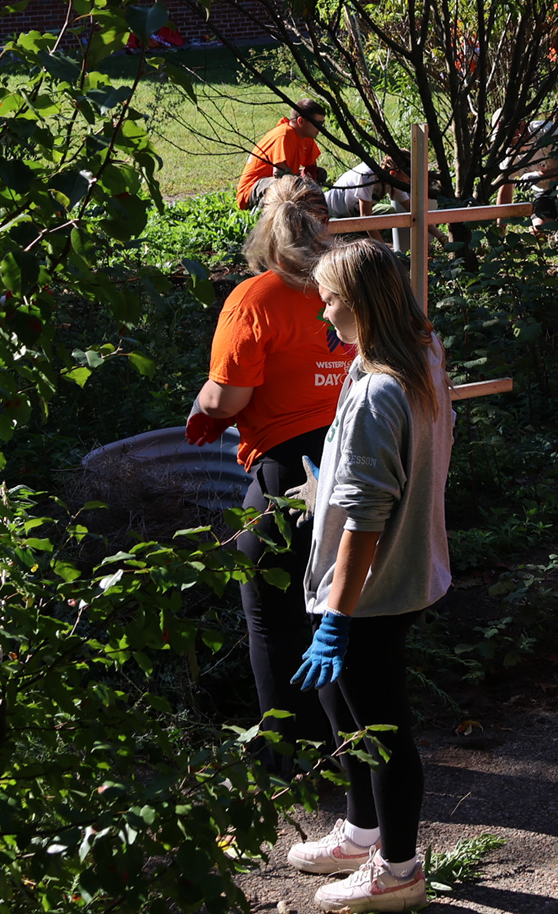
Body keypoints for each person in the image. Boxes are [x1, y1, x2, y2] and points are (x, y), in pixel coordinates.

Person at [284, 240, 454, 912]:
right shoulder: (417, 359)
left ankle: (400, 870)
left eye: (329, 301)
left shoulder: (382, 390)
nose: (323, 316)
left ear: (358, 304)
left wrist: (336, 617)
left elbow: (366, 520)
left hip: (371, 592)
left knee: (378, 729)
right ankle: (361, 832)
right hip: (401, 575)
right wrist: (326, 490)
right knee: (341, 704)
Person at [185, 177, 353, 769]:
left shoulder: (255, 298)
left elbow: (227, 401)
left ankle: (293, 754)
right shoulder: (352, 285)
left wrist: (202, 404)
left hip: (292, 471)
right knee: (339, 602)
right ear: (326, 221)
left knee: (271, 612)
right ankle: (351, 743)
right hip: (360, 458)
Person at [237, 98, 329, 209]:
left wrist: (312, 195)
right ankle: (265, 218)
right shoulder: (285, 134)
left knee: (319, 174)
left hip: (282, 180)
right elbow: (279, 174)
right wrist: (303, 188)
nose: (320, 128)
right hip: (252, 190)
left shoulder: (306, 136)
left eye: (322, 123)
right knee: (284, 186)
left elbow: (311, 169)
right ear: (301, 121)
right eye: (317, 123)